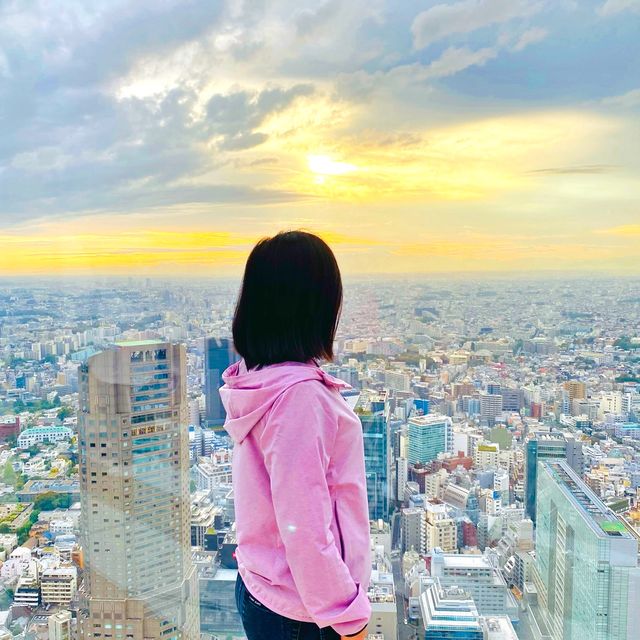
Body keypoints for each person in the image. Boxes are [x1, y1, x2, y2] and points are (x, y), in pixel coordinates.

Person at [220, 230, 371, 640]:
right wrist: (349, 618)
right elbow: (303, 526)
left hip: (264, 586)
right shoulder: (300, 398)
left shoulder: (257, 380)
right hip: (304, 610)